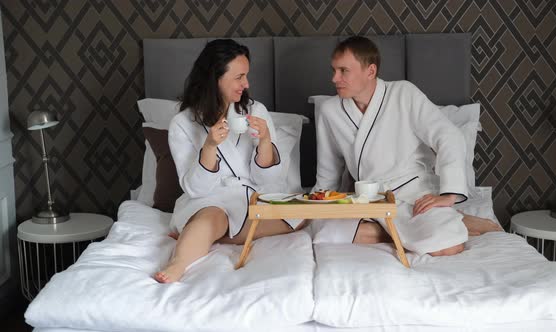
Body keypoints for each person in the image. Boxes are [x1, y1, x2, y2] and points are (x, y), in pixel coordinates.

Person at [312, 36, 501, 256]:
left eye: (343, 71)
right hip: (369, 200)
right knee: (323, 230)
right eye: (334, 70)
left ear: (370, 71)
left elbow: (449, 136)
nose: (335, 78)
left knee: (449, 246)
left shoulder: (403, 94)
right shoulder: (330, 110)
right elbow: (328, 169)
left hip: (413, 195)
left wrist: (449, 195)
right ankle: (448, 225)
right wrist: (317, 204)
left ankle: (434, 224)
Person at [155, 39, 306, 283]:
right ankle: (178, 263)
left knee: (301, 216)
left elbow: (269, 180)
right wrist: (210, 146)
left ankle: (210, 236)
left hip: (253, 197)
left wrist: (265, 140)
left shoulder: (256, 111)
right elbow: (195, 188)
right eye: (239, 77)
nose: (246, 84)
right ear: (216, 77)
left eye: (246, 76)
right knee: (210, 219)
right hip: (211, 200)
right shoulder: (183, 124)